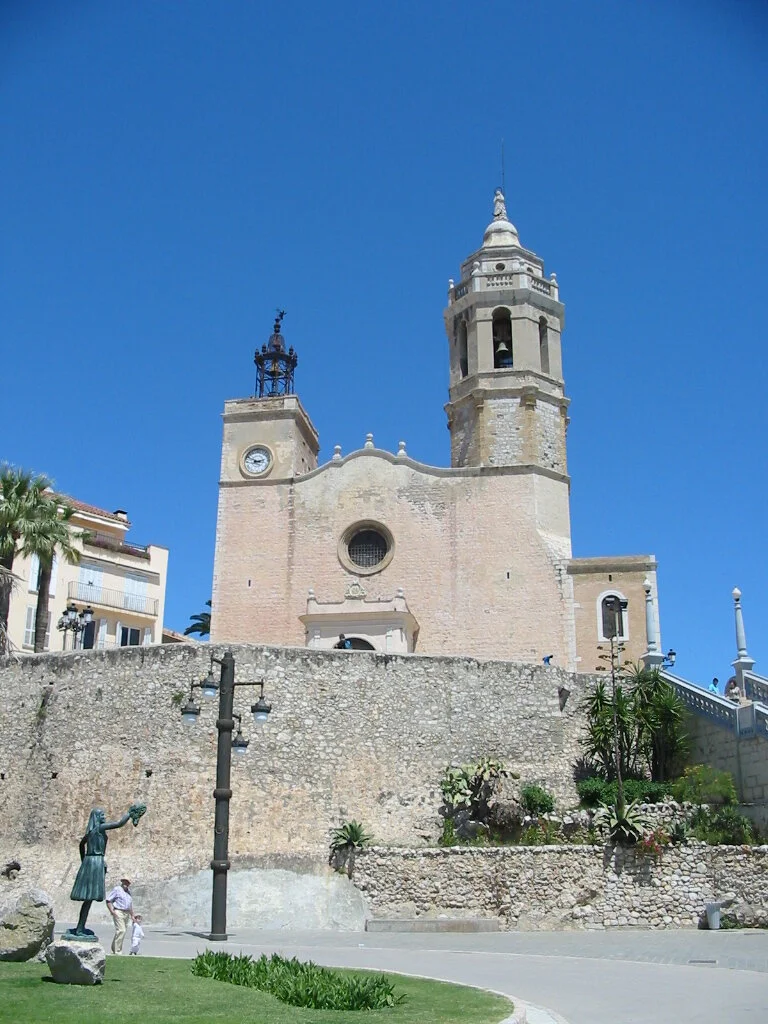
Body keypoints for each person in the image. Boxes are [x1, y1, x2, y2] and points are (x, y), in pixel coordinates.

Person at [69, 803, 146, 938]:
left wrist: (85, 861)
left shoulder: (91, 832)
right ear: (97, 818)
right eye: (102, 815)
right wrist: (130, 812)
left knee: (89, 899)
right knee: (89, 899)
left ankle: (80, 927)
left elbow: (81, 845)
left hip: (90, 862)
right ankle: (80, 928)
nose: (104, 816)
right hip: (95, 862)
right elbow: (119, 824)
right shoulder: (99, 828)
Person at [106, 877, 137, 954]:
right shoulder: (117, 889)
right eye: (125, 882)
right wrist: (112, 911)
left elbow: (130, 905)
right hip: (118, 911)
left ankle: (114, 948)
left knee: (121, 931)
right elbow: (108, 900)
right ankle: (118, 951)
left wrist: (132, 915)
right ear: (122, 882)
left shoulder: (128, 892)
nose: (126, 884)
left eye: (128, 882)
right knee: (121, 930)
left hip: (126, 913)